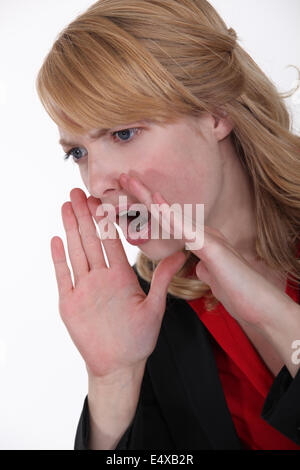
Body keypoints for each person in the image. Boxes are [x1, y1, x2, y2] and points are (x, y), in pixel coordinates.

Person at [36, 0, 300, 450]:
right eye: (78, 153)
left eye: (122, 133)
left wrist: (279, 319)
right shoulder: (147, 308)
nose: (98, 183)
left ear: (216, 112)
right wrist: (113, 384)